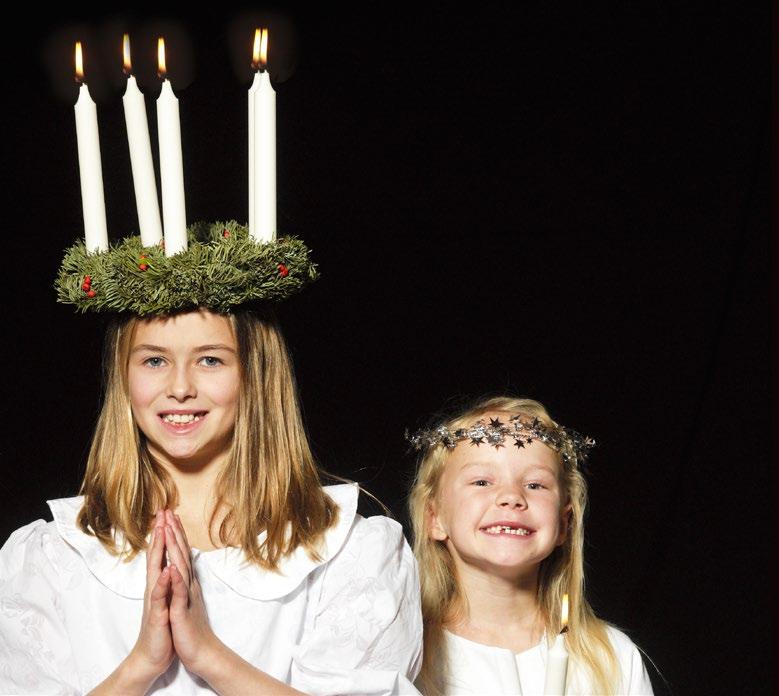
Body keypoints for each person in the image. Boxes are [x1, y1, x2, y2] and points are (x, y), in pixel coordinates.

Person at [0, 299, 422, 692]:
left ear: (256, 374)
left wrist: (208, 655)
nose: (180, 387)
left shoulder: (345, 552)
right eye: (154, 360)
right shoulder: (52, 559)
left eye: (210, 360)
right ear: (123, 376)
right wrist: (142, 665)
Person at [407, 395, 653, 695]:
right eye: (482, 482)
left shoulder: (612, 658)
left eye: (535, 485)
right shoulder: (401, 653)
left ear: (564, 523)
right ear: (434, 517)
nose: (512, 497)